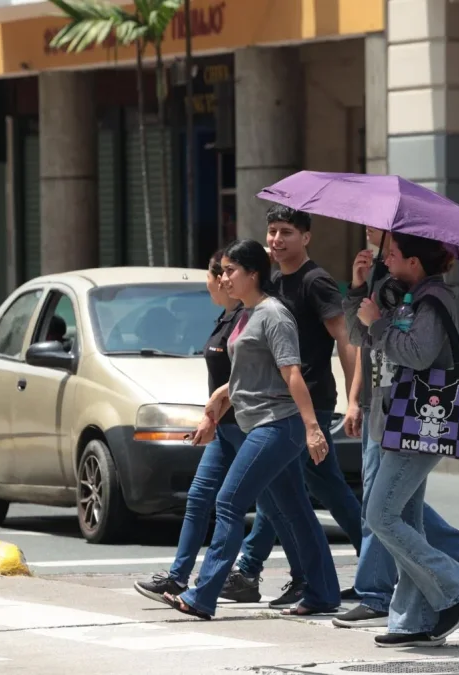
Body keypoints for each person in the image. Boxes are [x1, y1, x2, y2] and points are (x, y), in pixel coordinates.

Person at [160, 238, 341, 619]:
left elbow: (291, 373)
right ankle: (324, 592)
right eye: (222, 271)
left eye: (230, 271)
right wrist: (219, 399)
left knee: (228, 501)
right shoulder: (246, 313)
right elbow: (247, 374)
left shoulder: (274, 314)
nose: (223, 278)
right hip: (258, 421)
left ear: (253, 274)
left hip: (277, 425)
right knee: (295, 510)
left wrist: (312, 428)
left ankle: (202, 596)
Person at [343, 231, 459, 647]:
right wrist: (359, 291)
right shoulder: (401, 293)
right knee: (407, 519)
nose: (387, 255)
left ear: (414, 262)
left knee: (381, 516)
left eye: (394, 251)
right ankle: (413, 621)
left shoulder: (433, 300)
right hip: (393, 419)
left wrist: (376, 321)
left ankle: (456, 585)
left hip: (419, 420)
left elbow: (416, 354)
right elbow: (361, 339)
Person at [220, 206, 364, 610]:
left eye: (286, 232)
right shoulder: (277, 280)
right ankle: (288, 575)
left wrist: (354, 399)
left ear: (307, 237)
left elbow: (346, 339)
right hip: (282, 405)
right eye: (271, 232)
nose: (277, 240)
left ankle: (375, 573)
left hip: (310, 403)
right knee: (284, 493)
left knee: (324, 490)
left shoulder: (315, 281)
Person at [134, 250, 251, 603]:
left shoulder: (247, 319)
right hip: (224, 429)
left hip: (248, 426)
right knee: (200, 498)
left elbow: (252, 372)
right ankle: (178, 576)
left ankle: (300, 576)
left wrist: (214, 408)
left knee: (279, 508)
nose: (214, 284)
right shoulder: (225, 317)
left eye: (220, 275)